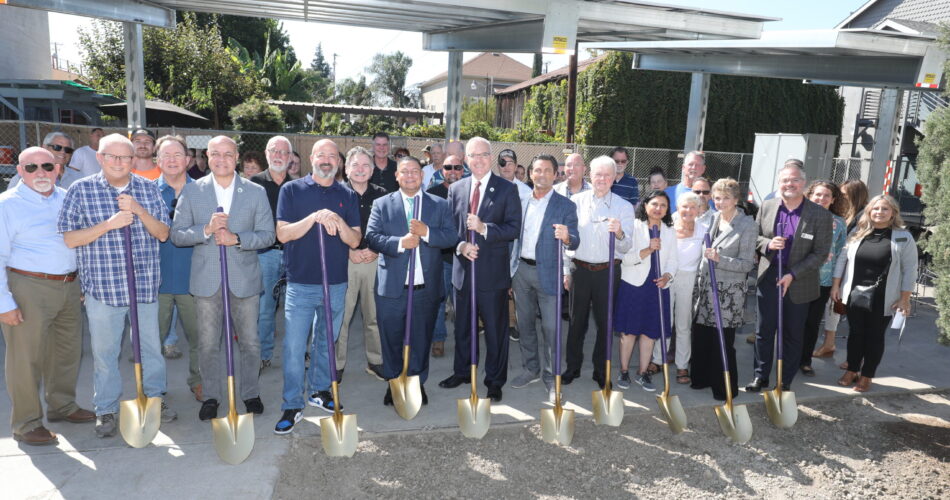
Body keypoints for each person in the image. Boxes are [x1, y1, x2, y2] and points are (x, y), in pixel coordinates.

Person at [58, 133, 173, 438]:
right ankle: (106, 409)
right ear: (100, 158)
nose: (120, 163)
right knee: (105, 355)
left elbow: (163, 233)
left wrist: (138, 210)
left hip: (144, 288)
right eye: (113, 156)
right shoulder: (80, 190)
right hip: (104, 291)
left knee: (150, 350)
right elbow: (70, 238)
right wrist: (110, 224)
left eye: (126, 157)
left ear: (134, 159)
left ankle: (155, 399)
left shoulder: (148, 189)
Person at [170, 135, 274, 421]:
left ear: (237, 157)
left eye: (228, 154)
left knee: (251, 342)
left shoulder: (255, 192)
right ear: (207, 157)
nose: (221, 160)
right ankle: (213, 395)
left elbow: (268, 234)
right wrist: (205, 230)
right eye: (215, 154)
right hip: (206, 280)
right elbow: (177, 235)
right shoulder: (192, 192)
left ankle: (250, 392)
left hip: (245, 279)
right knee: (208, 343)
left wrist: (236, 238)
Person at [1, 147, 93, 446]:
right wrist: (4, 303)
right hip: (28, 286)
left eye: (47, 166)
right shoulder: (7, 205)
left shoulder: (67, 198)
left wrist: (82, 283)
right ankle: (26, 423)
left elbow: (79, 243)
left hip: (68, 286)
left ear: (58, 169)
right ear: (19, 171)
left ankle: (62, 406)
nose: (40, 173)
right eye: (31, 168)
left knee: (67, 351)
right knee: (26, 359)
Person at [273, 139, 361, 435]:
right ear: (311, 158)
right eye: (321, 154)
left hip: (335, 283)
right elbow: (283, 234)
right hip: (300, 283)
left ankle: (320, 390)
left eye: (332, 155)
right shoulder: (292, 190)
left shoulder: (346, 195)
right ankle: (292, 403)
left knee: (327, 342)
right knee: (295, 347)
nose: (326, 160)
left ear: (339, 161)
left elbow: (354, 240)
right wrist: (313, 218)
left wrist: (336, 219)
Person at [366, 156, 456, 407]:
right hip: (392, 287)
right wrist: (399, 243)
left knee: (420, 338)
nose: (409, 176)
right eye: (404, 172)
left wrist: (427, 232)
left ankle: (416, 382)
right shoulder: (382, 204)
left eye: (414, 171)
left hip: (424, 289)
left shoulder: (438, 205)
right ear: (397, 176)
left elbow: (450, 237)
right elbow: (372, 237)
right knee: (391, 337)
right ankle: (393, 381)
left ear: (422, 175)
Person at [438, 137, 521, 403]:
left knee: (496, 331)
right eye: (474, 155)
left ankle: (494, 380)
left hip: (493, 275)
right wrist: (461, 245)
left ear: (491, 156)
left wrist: (484, 228)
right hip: (463, 273)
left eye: (484, 154)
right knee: (463, 327)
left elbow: (513, 228)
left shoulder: (507, 189)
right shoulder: (457, 188)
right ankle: (462, 371)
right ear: (466, 159)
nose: (479, 160)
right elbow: (450, 230)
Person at [747, 160, 832, 393]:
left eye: (795, 180)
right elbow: (753, 237)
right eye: (785, 180)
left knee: (793, 334)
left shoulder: (819, 215)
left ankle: (784, 381)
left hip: (800, 281)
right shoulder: (767, 206)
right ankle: (760, 376)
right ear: (779, 183)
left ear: (803, 184)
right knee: (764, 331)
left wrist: (793, 274)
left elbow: (821, 253)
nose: (790, 184)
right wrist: (767, 244)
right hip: (770, 276)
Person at [509, 155, 580, 401]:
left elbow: (576, 240)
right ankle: (531, 369)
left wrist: (568, 237)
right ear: (530, 173)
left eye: (547, 171)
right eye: (537, 170)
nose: (542, 175)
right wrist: (511, 271)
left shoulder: (565, 206)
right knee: (525, 325)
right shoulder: (521, 201)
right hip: (521, 272)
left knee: (551, 328)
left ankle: (552, 378)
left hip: (549, 273)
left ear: (555, 175)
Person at [562, 156, 634, 388]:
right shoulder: (576, 201)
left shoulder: (623, 207)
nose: (601, 179)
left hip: (608, 271)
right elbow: (568, 241)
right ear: (589, 175)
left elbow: (626, 246)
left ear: (614, 178)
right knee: (576, 323)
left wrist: (620, 233)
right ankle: (572, 367)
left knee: (605, 324)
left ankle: (601, 371)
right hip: (580, 270)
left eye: (607, 175)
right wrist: (566, 270)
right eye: (597, 174)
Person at [831, 195, 916, 392]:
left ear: (893, 213)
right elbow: (842, 260)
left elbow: (910, 269)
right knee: (855, 334)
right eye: (875, 208)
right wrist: (836, 286)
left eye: (885, 209)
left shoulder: (903, 237)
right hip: (854, 294)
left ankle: (867, 375)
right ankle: (852, 370)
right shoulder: (858, 232)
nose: (879, 212)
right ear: (869, 211)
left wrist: (905, 299)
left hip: (885, 297)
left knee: (875, 336)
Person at [689, 178, 757, 401]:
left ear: (736, 199)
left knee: (722, 342)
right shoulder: (712, 219)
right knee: (702, 338)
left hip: (728, 293)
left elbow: (747, 264)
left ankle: (724, 388)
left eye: (726, 198)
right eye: (717, 198)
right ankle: (701, 379)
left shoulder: (747, 225)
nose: (720, 202)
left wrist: (720, 259)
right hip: (705, 289)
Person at [154, 135, 202, 401]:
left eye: (177, 155)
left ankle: (199, 381)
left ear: (188, 160)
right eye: (166, 155)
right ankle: (154, 390)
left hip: (193, 280)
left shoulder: (203, 191)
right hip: (156, 281)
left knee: (200, 340)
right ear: (158, 160)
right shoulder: (146, 192)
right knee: (152, 342)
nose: (172, 160)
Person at [615, 190, 676, 392]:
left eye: (663, 205)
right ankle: (624, 370)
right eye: (655, 204)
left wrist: (668, 276)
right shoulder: (633, 226)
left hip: (657, 286)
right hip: (633, 285)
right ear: (645, 205)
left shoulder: (669, 230)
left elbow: (673, 260)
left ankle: (643, 372)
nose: (658, 209)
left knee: (650, 333)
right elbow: (625, 258)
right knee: (629, 332)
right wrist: (648, 249)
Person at [337, 147, 387, 381]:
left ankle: (375, 361)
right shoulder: (335, 194)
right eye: (355, 165)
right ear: (346, 169)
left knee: (373, 315)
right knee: (342, 316)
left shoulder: (383, 195)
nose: (360, 170)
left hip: (373, 260)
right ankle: (336, 364)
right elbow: (329, 230)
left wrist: (376, 249)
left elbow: (390, 229)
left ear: (373, 169)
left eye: (365, 165)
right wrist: (348, 251)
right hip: (344, 261)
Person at [250, 136, 294, 370]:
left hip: (294, 255)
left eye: (283, 152)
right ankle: (263, 354)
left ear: (290, 158)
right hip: (264, 255)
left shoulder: (298, 186)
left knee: (295, 310)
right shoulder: (253, 184)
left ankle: (295, 353)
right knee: (265, 309)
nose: (278, 155)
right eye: (273, 150)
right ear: (267, 154)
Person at [800, 181, 849, 376]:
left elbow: (839, 254)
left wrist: (836, 284)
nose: (821, 199)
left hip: (823, 281)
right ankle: (788, 357)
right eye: (817, 195)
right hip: (798, 279)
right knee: (794, 322)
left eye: (826, 195)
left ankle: (805, 360)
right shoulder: (800, 216)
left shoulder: (839, 223)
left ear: (833, 199)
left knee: (812, 323)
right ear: (809, 196)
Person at [667, 192, 708, 385]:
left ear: (699, 210)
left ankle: (682, 364)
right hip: (667, 276)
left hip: (689, 278)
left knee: (683, 324)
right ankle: (658, 359)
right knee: (664, 321)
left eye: (693, 207)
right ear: (678, 207)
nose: (688, 210)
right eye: (685, 206)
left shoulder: (704, 229)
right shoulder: (668, 226)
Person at [426, 153, 465, 357]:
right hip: (440, 258)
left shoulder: (469, 192)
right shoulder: (432, 194)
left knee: (462, 303)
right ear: (442, 170)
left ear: (463, 170)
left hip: (463, 258)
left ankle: (462, 341)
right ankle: (438, 339)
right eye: (448, 167)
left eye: (457, 167)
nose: (452, 171)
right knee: (438, 300)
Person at [6, 132, 79, 190]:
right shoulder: (24, 177)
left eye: (68, 150)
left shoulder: (78, 177)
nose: (63, 152)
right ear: (44, 147)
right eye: (57, 147)